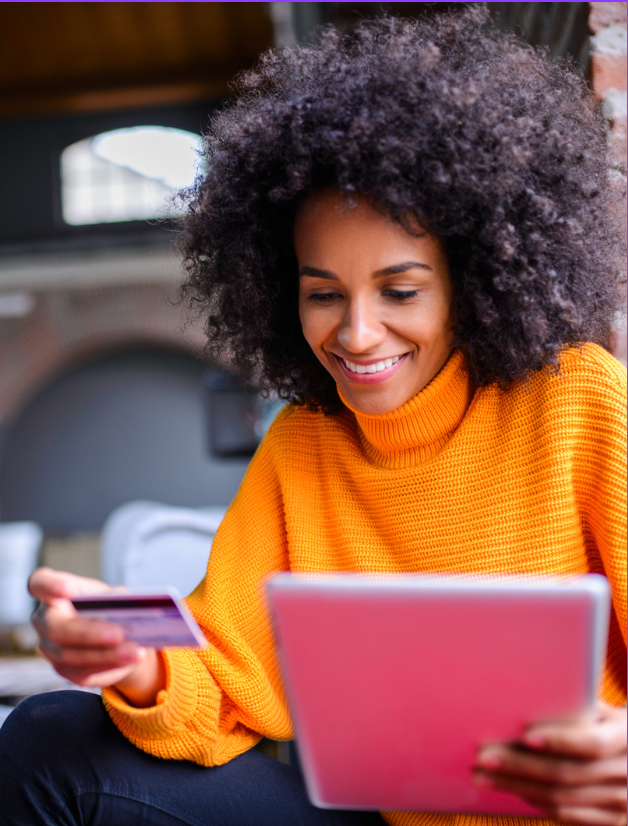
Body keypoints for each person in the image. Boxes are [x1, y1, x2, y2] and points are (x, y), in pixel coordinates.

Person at [1, 8, 625, 826]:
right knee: (45, 737)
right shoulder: (303, 443)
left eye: (399, 291)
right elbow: (225, 671)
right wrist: (132, 662)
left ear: (471, 283)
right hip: (378, 814)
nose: (356, 334)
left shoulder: (578, 399)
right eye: (322, 294)